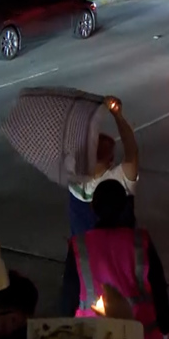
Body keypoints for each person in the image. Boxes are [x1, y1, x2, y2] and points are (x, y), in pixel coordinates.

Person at [62, 181, 169, 339]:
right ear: (124, 206)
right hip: (139, 337)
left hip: (93, 338)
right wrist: (165, 327)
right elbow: (158, 288)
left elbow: (69, 297)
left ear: (93, 208)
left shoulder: (80, 246)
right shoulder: (140, 241)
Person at [68, 96, 139, 237]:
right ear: (111, 159)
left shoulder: (74, 181)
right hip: (121, 253)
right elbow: (132, 151)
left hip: (86, 253)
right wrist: (117, 116)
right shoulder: (120, 180)